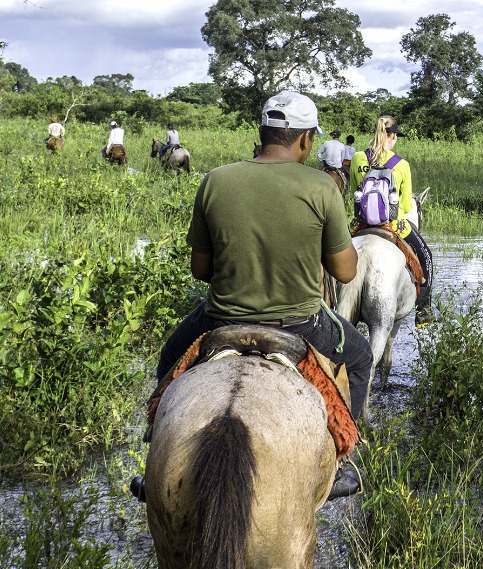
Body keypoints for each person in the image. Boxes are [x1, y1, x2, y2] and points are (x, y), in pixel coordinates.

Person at [133, 91, 372, 502]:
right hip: (301, 321)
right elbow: (345, 271)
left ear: (261, 133)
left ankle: (157, 454)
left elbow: (201, 271)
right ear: (304, 141)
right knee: (361, 355)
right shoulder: (321, 187)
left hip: (220, 319)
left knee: (169, 358)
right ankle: (346, 460)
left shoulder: (216, 180)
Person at [349, 115, 434, 323]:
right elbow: (405, 205)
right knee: (427, 258)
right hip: (395, 226)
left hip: (360, 224)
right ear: (393, 136)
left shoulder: (357, 158)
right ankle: (423, 312)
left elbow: (354, 194)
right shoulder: (402, 164)